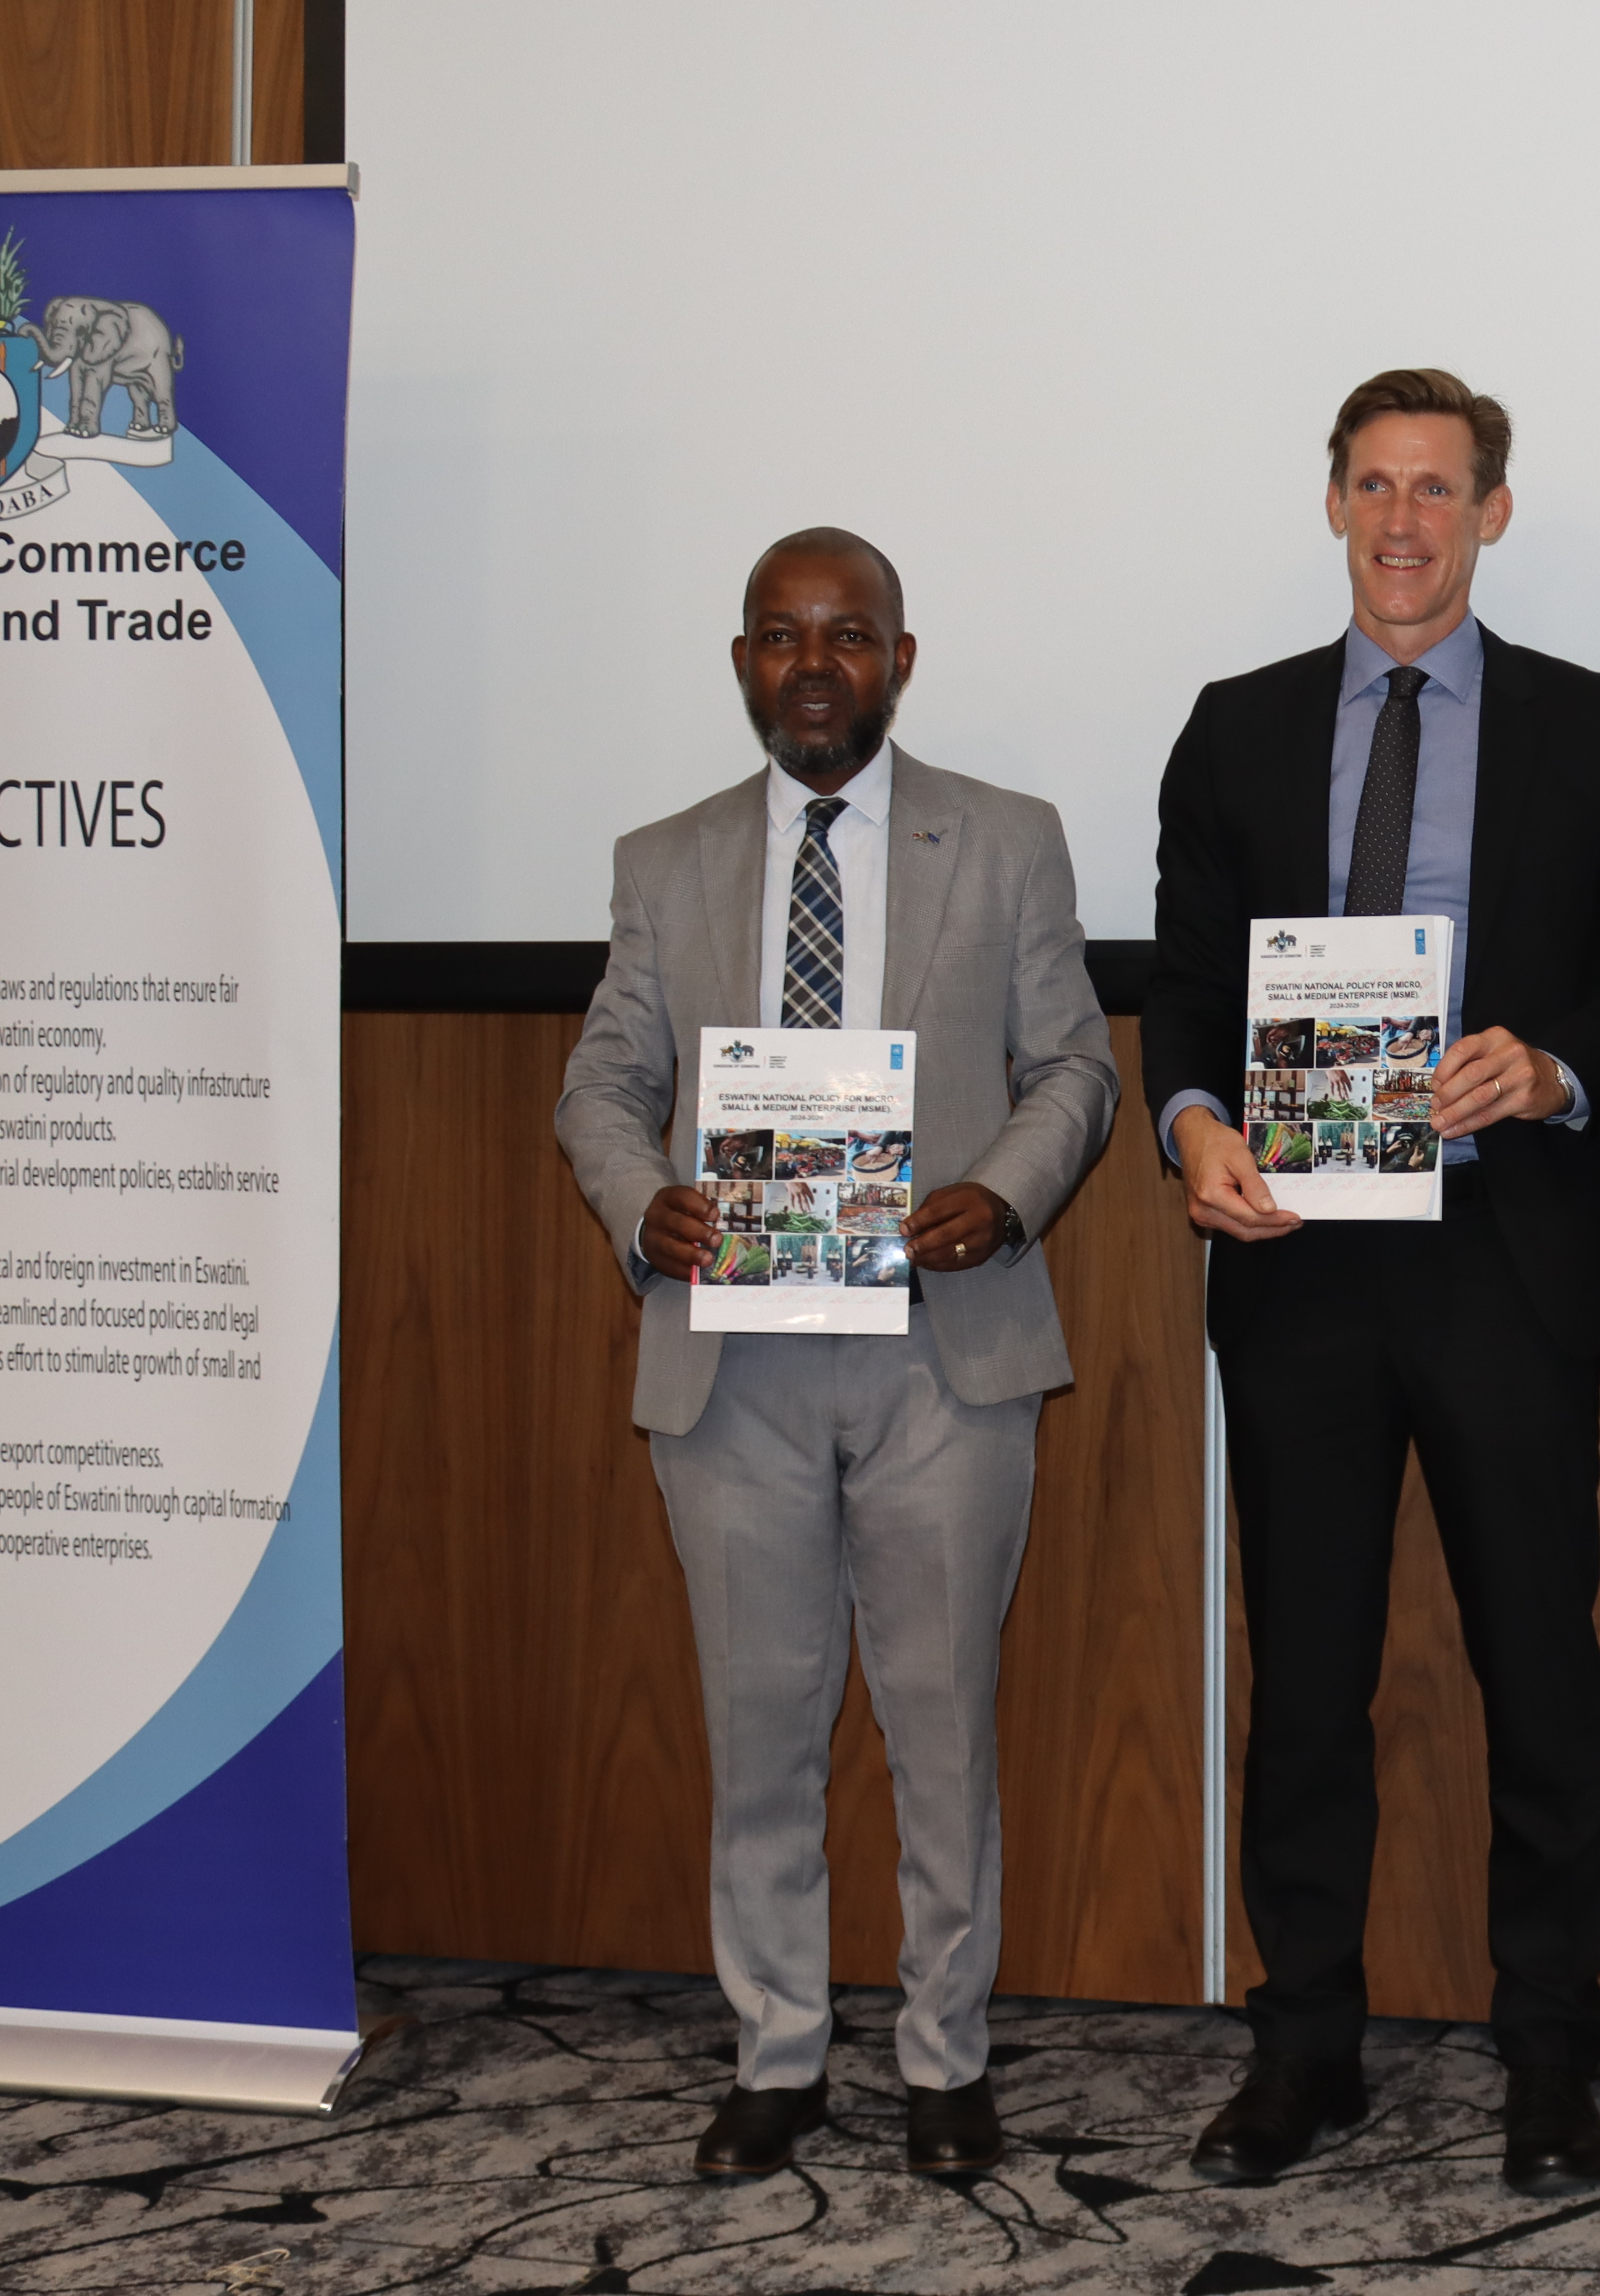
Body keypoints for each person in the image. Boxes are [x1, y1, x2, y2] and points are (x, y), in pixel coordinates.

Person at [1141, 369, 1600, 2195]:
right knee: (1304, 1679)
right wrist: (1195, 1127)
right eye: (1374, 486)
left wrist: (1550, 1066)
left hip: (1506, 1255)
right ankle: (1306, 2040)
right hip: (1297, 1259)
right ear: (1332, 506)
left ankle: (1553, 2043)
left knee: (1537, 1664)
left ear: (1493, 515)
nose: (1405, 521)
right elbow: (1185, 985)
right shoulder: (1232, 730)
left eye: (1440, 490)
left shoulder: (1598, 725)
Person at [552, 527, 1120, 2182]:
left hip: (942, 1350)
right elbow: (599, 1083)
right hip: (733, 1361)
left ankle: (946, 2066)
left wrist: (1005, 1200)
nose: (815, 664)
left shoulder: (1004, 841)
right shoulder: (665, 862)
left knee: (943, 1724)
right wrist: (640, 1195)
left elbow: (1073, 1066)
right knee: (761, 1726)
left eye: (848, 635)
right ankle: (777, 2054)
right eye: (781, 637)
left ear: (900, 658)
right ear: (744, 663)